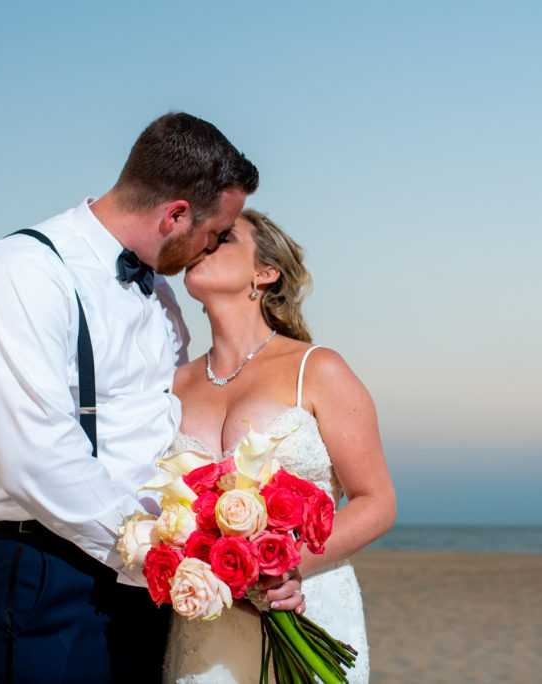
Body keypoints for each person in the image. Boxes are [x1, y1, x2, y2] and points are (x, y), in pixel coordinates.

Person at [0, 113, 302, 683]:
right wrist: (165, 555)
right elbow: (34, 458)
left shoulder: (159, 292)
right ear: (176, 214)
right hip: (50, 577)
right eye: (215, 232)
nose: (210, 247)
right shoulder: (26, 271)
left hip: (148, 581)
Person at [162, 209, 397, 683]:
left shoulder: (318, 368)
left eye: (222, 237)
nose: (201, 243)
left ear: (265, 274)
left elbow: (376, 501)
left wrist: (282, 569)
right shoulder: (172, 383)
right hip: (207, 621)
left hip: (305, 601)